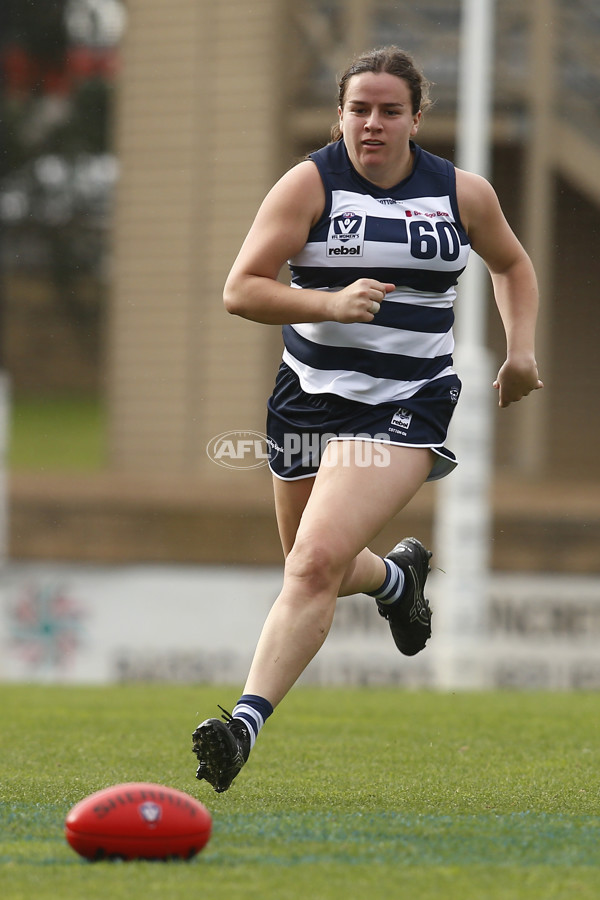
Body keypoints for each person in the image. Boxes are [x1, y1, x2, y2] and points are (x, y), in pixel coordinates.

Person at [192, 46, 543, 792]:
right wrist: (328, 301)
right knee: (309, 563)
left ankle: (242, 726)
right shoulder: (309, 184)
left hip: (408, 400)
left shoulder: (461, 193)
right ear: (340, 115)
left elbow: (511, 264)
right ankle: (395, 581)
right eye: (359, 109)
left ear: (417, 117)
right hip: (308, 396)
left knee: (314, 563)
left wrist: (520, 351)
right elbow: (241, 289)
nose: (372, 124)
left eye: (389, 111)